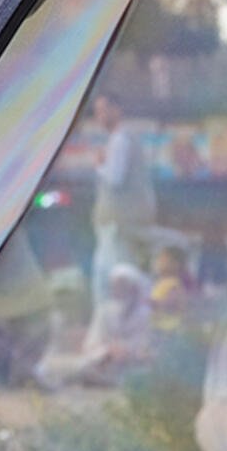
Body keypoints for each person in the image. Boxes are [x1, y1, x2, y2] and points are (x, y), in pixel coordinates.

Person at [89, 93, 156, 303]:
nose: (99, 116)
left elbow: (115, 179)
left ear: (116, 110)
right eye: (97, 112)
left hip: (119, 227)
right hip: (117, 226)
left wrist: (100, 164)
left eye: (103, 110)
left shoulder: (121, 139)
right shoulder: (119, 139)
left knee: (113, 284)